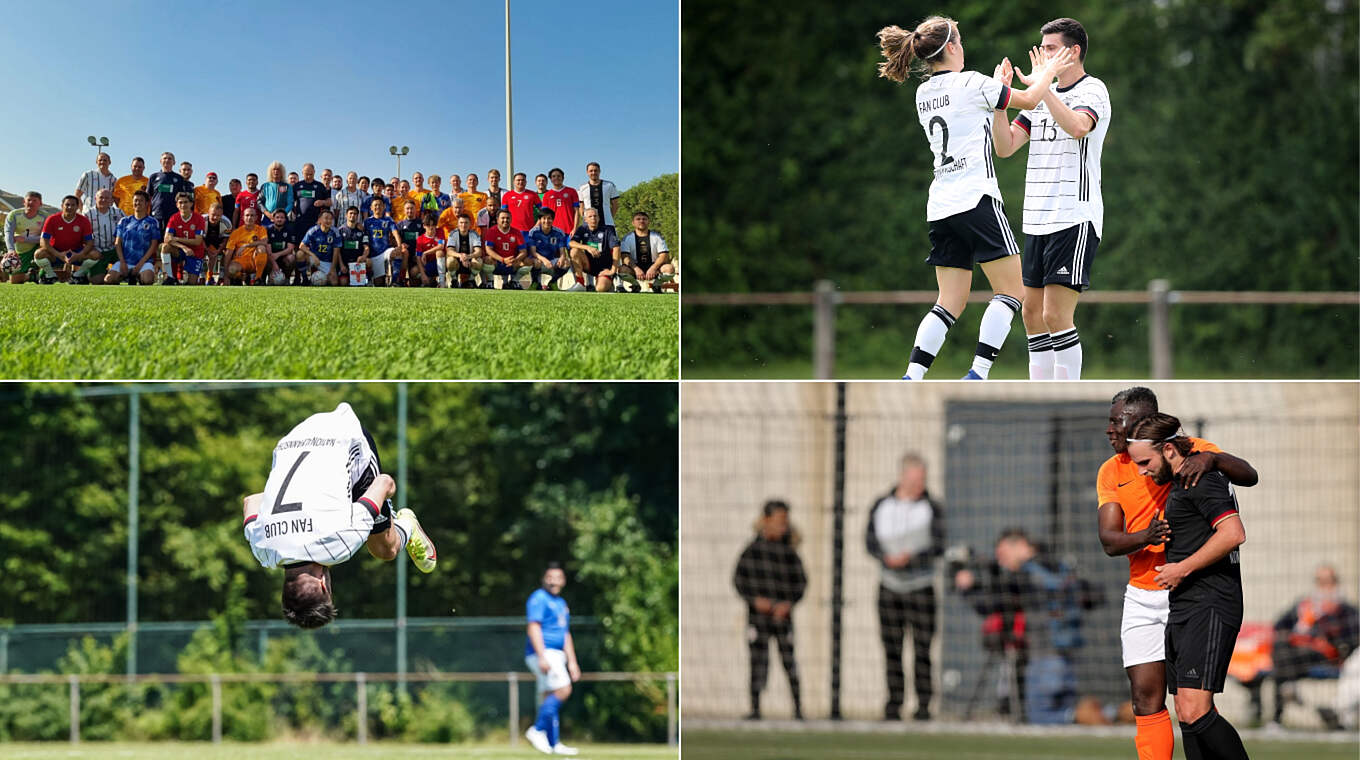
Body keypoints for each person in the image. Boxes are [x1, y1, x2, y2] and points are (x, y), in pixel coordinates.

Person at [877, 16, 1072, 380]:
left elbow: (987, 120)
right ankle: (978, 372)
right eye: (961, 41)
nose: (963, 48)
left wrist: (998, 98)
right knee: (1013, 292)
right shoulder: (972, 82)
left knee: (949, 301)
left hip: (940, 206)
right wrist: (1047, 71)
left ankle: (912, 376)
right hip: (976, 199)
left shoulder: (924, 93)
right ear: (951, 47)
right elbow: (1029, 101)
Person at [1097, 387, 1257, 760]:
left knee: (1192, 708)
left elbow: (1247, 481)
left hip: (1193, 589)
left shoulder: (1192, 459)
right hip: (1145, 591)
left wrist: (1213, 460)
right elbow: (1109, 540)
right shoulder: (1112, 470)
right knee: (1149, 698)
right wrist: (1145, 537)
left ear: (1144, 425)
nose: (1109, 429)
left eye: (1116, 420)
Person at [242, 402, 436, 629]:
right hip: (293, 438)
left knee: (385, 549)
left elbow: (384, 482)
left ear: (324, 585)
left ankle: (408, 525)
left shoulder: (338, 545)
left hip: (346, 435)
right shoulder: (262, 550)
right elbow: (252, 500)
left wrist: (384, 501)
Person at [992, 18, 1111, 379]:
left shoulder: (1093, 90)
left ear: (1073, 52)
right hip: (1037, 218)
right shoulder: (1041, 96)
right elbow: (1005, 146)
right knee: (1031, 313)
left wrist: (1042, 89)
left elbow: (1077, 127)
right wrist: (1001, 101)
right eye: (1041, 48)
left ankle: (1065, 391)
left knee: (1055, 316)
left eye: (1050, 49)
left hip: (1073, 217)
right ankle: (1040, 387)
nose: (1042, 56)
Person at [865, 453, 943, 721]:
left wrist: (911, 559)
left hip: (921, 588)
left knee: (922, 649)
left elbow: (939, 545)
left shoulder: (932, 507)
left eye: (923, 478)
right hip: (889, 587)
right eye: (916, 478)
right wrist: (886, 558)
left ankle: (923, 706)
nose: (921, 483)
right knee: (892, 649)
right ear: (903, 476)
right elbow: (870, 541)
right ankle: (893, 704)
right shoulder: (882, 505)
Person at [1261, 565, 1359, 729]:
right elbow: (1279, 625)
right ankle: (1287, 690)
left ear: (1336, 583)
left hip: (1324, 654)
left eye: (1329, 581)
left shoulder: (1344, 609)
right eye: (1320, 581)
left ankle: (1276, 718)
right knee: (1281, 648)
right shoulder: (1304, 605)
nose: (1325, 586)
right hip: (1294, 651)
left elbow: (1351, 639)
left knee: (1283, 658)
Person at [733, 500, 806, 720]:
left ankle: (798, 709)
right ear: (766, 521)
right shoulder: (752, 551)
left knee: (789, 661)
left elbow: (801, 583)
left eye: (785, 521)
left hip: (782, 618)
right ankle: (755, 709)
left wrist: (788, 604)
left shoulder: (789, 553)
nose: (783, 526)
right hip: (758, 618)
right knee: (757, 661)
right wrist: (755, 601)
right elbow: (738, 580)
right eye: (779, 521)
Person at [523, 562, 581, 756]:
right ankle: (537, 729)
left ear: (563, 581)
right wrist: (541, 656)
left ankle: (553, 743)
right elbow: (533, 627)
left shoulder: (561, 604)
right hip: (545, 653)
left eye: (558, 578)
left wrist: (572, 661)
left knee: (549, 698)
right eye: (550, 577)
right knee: (564, 689)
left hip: (557, 654)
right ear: (544, 579)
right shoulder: (539, 598)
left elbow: (565, 634)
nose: (553, 581)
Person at [35, 195, 96, 284]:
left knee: (95, 255)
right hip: (56, 253)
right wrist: (59, 254)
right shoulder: (52, 219)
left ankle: (77, 275)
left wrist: (78, 255)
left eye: (73, 205)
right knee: (39, 254)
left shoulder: (84, 220)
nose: (70, 207)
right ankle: (50, 275)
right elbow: (43, 242)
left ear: (77, 207)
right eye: (67, 205)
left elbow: (90, 243)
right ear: (62, 206)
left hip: (76, 253)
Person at [107, 190, 161, 285]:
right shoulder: (124, 221)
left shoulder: (153, 222)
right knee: (108, 280)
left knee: (147, 280)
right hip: (125, 261)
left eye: (141, 200)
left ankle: (137, 277)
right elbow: (117, 243)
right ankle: (126, 276)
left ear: (147, 203)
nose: (137, 203)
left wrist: (140, 265)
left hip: (144, 262)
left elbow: (153, 245)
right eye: (135, 200)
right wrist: (122, 262)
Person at [617, 210, 674, 293]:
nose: (641, 221)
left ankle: (657, 285)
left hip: (655, 267)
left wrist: (653, 268)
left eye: (644, 219)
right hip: (635, 268)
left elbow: (664, 255)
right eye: (638, 219)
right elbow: (625, 257)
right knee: (622, 270)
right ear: (633, 223)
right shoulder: (627, 238)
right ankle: (635, 285)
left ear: (649, 222)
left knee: (670, 269)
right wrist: (636, 269)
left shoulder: (657, 237)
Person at [569, 207, 620, 292]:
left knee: (600, 289)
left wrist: (613, 270)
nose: (593, 218)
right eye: (590, 216)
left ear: (599, 218)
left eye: (595, 216)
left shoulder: (608, 229)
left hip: (605, 268)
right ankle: (580, 283)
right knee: (574, 251)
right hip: (589, 265)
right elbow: (571, 243)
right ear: (585, 219)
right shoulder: (582, 229)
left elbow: (616, 248)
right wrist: (587, 247)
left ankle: (609, 281)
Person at [161, 192, 207, 285]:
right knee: (165, 247)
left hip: (195, 252)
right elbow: (167, 238)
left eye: (186, 202)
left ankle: (191, 274)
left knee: (191, 283)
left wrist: (177, 239)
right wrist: (183, 247)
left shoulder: (199, 219)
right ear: (177, 205)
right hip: (180, 250)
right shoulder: (174, 218)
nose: (183, 205)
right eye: (180, 202)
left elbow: (198, 241)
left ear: (191, 203)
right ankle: (170, 277)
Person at [525, 207, 575, 290]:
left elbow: (562, 252)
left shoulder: (559, 232)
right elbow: (533, 252)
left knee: (567, 263)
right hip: (539, 261)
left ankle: (553, 282)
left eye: (549, 218)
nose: (546, 221)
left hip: (552, 262)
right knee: (537, 261)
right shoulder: (533, 232)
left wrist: (562, 258)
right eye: (544, 218)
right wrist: (544, 260)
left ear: (553, 220)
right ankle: (535, 283)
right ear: (540, 220)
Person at [2, 191, 46, 284]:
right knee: (15, 281)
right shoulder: (14, 215)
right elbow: (8, 233)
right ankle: (31, 276)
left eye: (34, 200)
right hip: (22, 249)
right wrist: (10, 250)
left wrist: (26, 239)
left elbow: (45, 238)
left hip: (39, 245)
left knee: (45, 251)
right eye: (29, 200)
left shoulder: (45, 217)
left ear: (40, 204)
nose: (31, 203)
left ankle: (43, 276)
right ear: (24, 202)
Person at [482, 208, 529, 289]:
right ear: (497, 219)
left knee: (528, 261)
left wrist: (516, 260)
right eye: (503, 218)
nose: (505, 220)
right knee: (487, 259)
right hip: (497, 262)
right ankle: (490, 282)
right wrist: (503, 260)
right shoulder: (492, 231)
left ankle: (514, 281)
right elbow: (488, 249)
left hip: (512, 263)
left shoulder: (517, 232)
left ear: (511, 219)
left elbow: (523, 251)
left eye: (507, 218)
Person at [225, 207, 271, 285]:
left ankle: (258, 278)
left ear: (256, 217)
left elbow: (264, 242)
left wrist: (246, 245)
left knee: (261, 248)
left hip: (254, 260)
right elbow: (229, 252)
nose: (249, 218)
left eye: (252, 215)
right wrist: (226, 275)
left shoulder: (261, 229)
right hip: (241, 261)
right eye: (247, 215)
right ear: (243, 217)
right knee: (232, 270)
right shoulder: (236, 232)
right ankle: (242, 277)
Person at [147, 152, 194, 229]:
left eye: (170, 158)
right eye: (165, 158)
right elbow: (148, 197)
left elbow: (182, 198)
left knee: (170, 239)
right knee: (156, 240)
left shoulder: (179, 178)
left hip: (173, 215)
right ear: (160, 161)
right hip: (156, 214)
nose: (167, 160)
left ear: (174, 162)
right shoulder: (153, 177)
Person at [86, 189, 124, 284]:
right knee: (97, 281)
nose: (104, 200)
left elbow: (128, 229)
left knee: (113, 279)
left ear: (111, 200)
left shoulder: (119, 212)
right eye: (101, 197)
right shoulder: (88, 214)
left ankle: (116, 274)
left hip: (115, 250)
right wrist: (91, 249)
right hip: (98, 250)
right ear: (95, 199)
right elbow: (82, 236)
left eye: (107, 198)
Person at [362, 196, 400, 286]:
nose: (378, 207)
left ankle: (394, 281)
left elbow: (395, 233)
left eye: (380, 205)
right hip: (373, 255)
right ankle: (371, 279)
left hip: (385, 251)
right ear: (371, 208)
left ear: (384, 207)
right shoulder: (367, 221)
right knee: (379, 283)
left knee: (397, 252)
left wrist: (399, 246)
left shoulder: (388, 220)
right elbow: (365, 239)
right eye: (375, 205)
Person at [298, 209, 343, 286]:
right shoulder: (313, 230)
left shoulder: (335, 232)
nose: (328, 221)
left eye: (330, 219)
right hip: (314, 259)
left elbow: (336, 252)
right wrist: (313, 256)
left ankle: (321, 278)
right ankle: (305, 279)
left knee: (334, 282)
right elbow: (301, 246)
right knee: (300, 254)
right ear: (320, 220)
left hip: (327, 261)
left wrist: (332, 269)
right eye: (326, 218)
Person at [443, 213, 483, 288]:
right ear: (458, 224)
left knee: (479, 261)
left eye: (466, 223)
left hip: (469, 262)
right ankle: (454, 280)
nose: (463, 225)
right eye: (461, 223)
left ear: (470, 224)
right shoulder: (453, 234)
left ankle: (471, 280)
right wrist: (461, 256)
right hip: (457, 262)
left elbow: (479, 251)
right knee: (450, 260)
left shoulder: (474, 234)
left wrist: (467, 257)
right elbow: (449, 251)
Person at [291, 163, 331, 238]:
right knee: (298, 244)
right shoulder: (297, 186)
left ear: (314, 172)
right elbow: (291, 202)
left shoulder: (320, 186)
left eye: (311, 174)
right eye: (306, 174)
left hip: (315, 222)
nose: (309, 176)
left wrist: (323, 202)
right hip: (300, 221)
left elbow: (329, 202)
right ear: (302, 172)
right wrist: (295, 211)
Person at [576, 162, 619, 231]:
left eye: (595, 170)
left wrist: (609, 217)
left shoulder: (609, 185)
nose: (593, 173)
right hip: (588, 225)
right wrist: (586, 219)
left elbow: (615, 205)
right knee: (589, 242)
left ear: (599, 171)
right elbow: (581, 207)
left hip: (607, 223)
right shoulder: (582, 188)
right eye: (591, 171)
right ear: (587, 172)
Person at [336, 207, 370, 286]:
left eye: (355, 214)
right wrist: (341, 265)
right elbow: (337, 251)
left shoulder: (362, 231)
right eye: (350, 213)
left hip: (358, 263)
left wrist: (363, 256)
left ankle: (369, 280)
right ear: (346, 215)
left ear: (358, 216)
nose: (352, 215)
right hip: (345, 263)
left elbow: (367, 247)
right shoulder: (340, 231)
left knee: (369, 262)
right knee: (343, 282)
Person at [75, 151, 116, 215]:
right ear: (96, 162)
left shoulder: (113, 180)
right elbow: (77, 195)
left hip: (107, 216)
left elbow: (113, 199)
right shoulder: (88, 175)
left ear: (109, 162)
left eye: (105, 160)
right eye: (100, 160)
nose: (102, 162)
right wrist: (83, 210)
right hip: (89, 213)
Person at [394, 199, 424, 286]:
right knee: (404, 251)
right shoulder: (400, 224)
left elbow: (424, 240)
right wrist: (401, 244)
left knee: (414, 282)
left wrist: (419, 254)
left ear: (415, 210)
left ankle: (413, 278)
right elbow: (394, 240)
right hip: (405, 255)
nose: (409, 211)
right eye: (407, 209)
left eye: (411, 208)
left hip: (417, 256)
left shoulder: (421, 224)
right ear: (404, 210)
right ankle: (402, 278)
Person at [542, 168, 580, 236]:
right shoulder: (547, 195)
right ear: (550, 179)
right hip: (553, 231)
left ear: (563, 178)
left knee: (573, 246)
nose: (556, 178)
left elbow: (577, 211)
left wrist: (575, 228)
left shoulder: (572, 191)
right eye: (553, 176)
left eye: (559, 176)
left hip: (570, 230)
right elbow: (544, 215)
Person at [202, 202, 233, 285]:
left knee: (226, 252)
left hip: (219, 239)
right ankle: (202, 276)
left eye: (218, 215)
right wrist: (207, 250)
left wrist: (218, 251)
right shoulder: (201, 220)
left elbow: (226, 239)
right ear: (208, 212)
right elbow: (199, 239)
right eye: (213, 214)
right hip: (204, 239)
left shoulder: (227, 223)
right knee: (200, 252)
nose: (215, 217)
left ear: (222, 215)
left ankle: (220, 277)